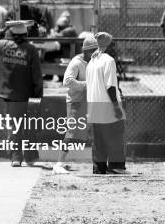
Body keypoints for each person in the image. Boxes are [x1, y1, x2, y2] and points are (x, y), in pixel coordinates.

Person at [0, 20, 43, 167]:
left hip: (5, 93)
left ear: (11, 34)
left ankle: (16, 156)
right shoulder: (31, 50)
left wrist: (3, 28)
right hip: (24, 94)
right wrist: (38, 94)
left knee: (14, 125)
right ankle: (26, 156)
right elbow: (37, 74)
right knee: (26, 125)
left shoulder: (3, 45)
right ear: (25, 34)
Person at [52, 34, 98, 174]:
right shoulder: (76, 62)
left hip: (92, 101)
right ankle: (59, 164)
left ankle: (100, 163)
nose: (96, 53)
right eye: (93, 51)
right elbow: (67, 81)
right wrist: (87, 85)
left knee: (97, 131)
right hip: (76, 102)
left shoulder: (96, 61)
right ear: (86, 50)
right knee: (71, 133)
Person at [85, 32, 127, 175]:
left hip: (94, 106)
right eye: (113, 45)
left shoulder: (91, 62)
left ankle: (99, 167)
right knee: (116, 135)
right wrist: (116, 106)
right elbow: (110, 87)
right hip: (107, 105)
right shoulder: (108, 60)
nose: (115, 48)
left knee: (98, 139)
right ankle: (116, 165)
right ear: (106, 46)